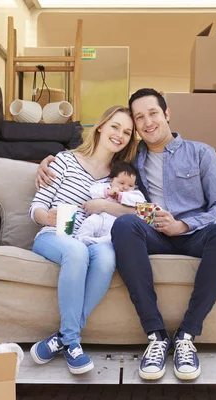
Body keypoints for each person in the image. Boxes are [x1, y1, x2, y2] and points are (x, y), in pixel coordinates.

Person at [36, 88, 216, 381]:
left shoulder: (201, 152)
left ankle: (186, 336)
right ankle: (156, 336)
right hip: (153, 235)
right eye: (139, 118)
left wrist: (183, 225)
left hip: (194, 235)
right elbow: (94, 157)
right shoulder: (132, 159)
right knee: (123, 226)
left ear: (167, 114)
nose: (147, 122)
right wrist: (44, 161)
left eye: (153, 113)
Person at [28, 105, 137, 375]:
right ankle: (73, 342)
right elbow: (36, 207)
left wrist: (102, 205)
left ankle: (61, 338)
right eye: (115, 126)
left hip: (95, 240)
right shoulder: (64, 161)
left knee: (109, 257)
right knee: (76, 252)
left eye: (126, 132)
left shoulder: (121, 177)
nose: (119, 135)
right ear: (100, 126)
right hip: (54, 236)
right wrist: (48, 217)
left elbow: (139, 212)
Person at [75, 161, 146, 245]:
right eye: (121, 183)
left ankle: (98, 242)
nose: (125, 187)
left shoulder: (134, 193)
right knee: (90, 222)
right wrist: (108, 192)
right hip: (99, 217)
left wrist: (121, 196)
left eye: (130, 185)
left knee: (114, 234)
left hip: (113, 221)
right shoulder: (106, 187)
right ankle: (81, 238)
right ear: (111, 180)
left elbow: (141, 203)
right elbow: (93, 191)